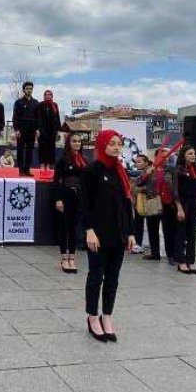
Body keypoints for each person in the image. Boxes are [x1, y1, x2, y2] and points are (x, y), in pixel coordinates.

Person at [81, 129, 135, 342]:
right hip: (98, 234)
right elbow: (84, 204)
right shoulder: (92, 170)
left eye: (118, 143)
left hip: (118, 234)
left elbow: (127, 203)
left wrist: (130, 232)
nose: (115, 146)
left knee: (113, 278)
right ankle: (93, 316)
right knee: (96, 276)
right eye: (111, 143)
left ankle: (107, 316)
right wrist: (89, 230)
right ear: (102, 145)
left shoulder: (121, 171)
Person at [53, 133, 88, 273]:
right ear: (69, 143)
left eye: (79, 141)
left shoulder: (84, 160)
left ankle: (72, 258)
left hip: (79, 196)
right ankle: (64, 257)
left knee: (74, 228)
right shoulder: (62, 160)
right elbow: (56, 180)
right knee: (64, 227)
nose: (77, 144)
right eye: (74, 141)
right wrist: (58, 199)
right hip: (65, 194)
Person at [173, 145, 196, 274]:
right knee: (181, 233)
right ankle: (180, 262)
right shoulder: (178, 170)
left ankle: (190, 261)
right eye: (190, 153)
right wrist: (179, 208)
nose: (193, 155)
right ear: (183, 155)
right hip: (183, 203)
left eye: (194, 153)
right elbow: (175, 191)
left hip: (195, 204)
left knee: (192, 233)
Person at [12, 81, 40, 177]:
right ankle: (21, 170)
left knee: (29, 151)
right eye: (27, 88)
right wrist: (16, 130)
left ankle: (27, 169)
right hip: (21, 130)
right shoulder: (18, 102)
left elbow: (38, 117)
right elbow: (15, 117)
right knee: (20, 150)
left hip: (31, 130)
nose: (29, 90)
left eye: (31, 88)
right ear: (24, 90)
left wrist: (37, 129)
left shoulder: (36, 103)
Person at [131, 154, 157, 255]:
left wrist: (137, 189)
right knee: (138, 222)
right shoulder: (141, 172)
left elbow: (150, 186)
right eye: (136, 162)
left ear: (146, 162)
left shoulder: (151, 171)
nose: (137, 164)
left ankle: (151, 246)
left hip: (150, 200)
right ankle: (138, 243)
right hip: (140, 201)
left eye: (139, 162)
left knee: (151, 224)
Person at [38, 90, 61, 170]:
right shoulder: (41, 104)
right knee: (42, 148)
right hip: (43, 130)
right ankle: (42, 164)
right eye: (46, 94)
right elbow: (38, 118)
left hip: (52, 131)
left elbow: (57, 118)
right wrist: (38, 129)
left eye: (49, 94)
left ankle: (48, 165)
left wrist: (58, 130)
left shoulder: (54, 105)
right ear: (44, 96)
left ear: (52, 96)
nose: (48, 96)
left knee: (50, 148)